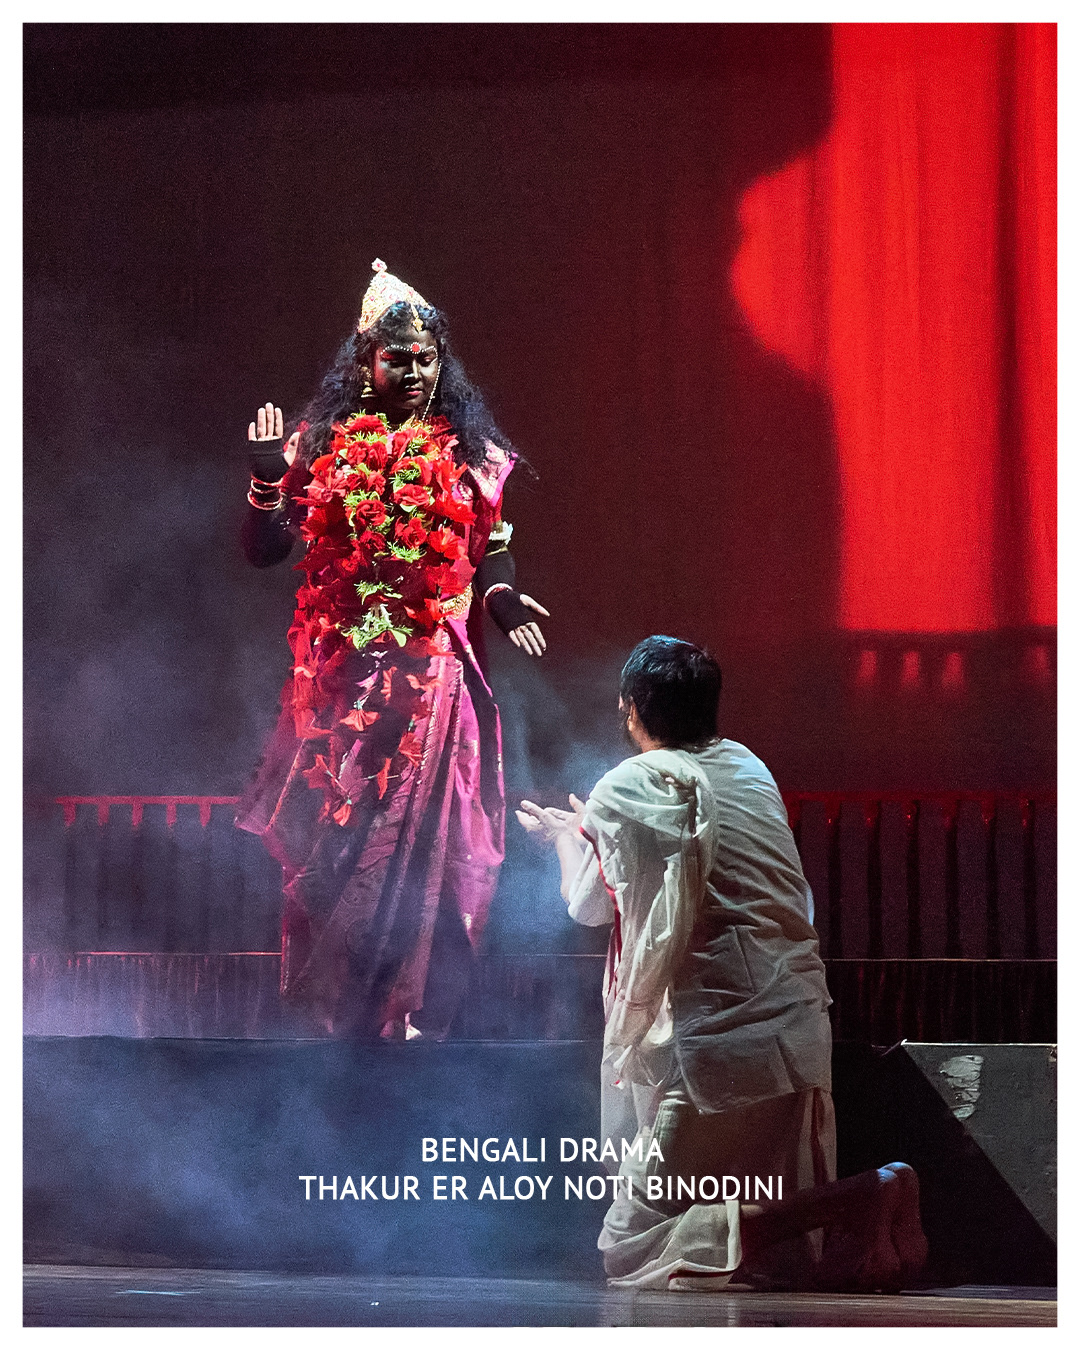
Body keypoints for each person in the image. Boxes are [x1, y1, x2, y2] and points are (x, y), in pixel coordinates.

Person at [517, 636, 927, 1292]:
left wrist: (568, 839)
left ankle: (860, 1195)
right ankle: (865, 1199)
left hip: (716, 1047)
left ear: (632, 707)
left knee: (630, 1243)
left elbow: (590, 905)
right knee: (770, 1258)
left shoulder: (632, 783)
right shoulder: (748, 766)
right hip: (794, 1030)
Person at [236, 259, 549, 1042]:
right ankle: (329, 1028)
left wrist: (502, 598)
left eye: (426, 359)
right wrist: (268, 480)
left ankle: (412, 1025)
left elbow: (493, 550)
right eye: (397, 359)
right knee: (336, 847)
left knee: (427, 857)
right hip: (340, 685)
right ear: (365, 364)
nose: (413, 373)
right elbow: (265, 552)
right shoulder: (320, 444)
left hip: (431, 683)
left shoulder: (473, 452)